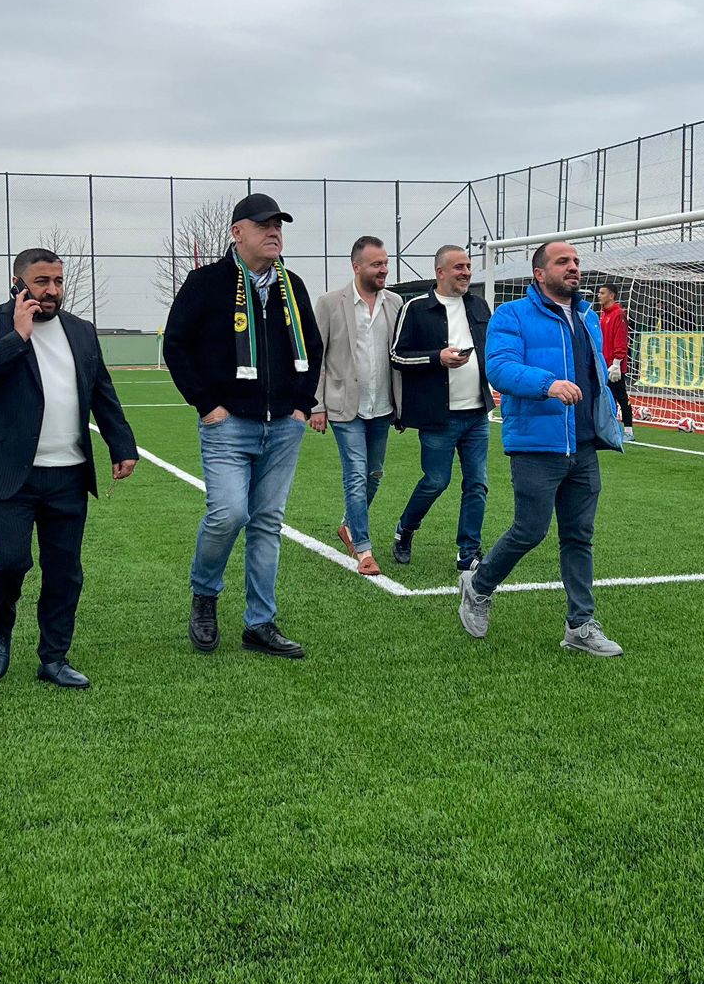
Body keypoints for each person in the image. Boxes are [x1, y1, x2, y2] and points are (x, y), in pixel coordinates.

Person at [0, 247, 138, 690]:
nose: (52, 290)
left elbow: (102, 390)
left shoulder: (81, 331)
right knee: (9, 562)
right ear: (17, 284)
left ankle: (53, 657)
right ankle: (0, 626)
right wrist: (17, 337)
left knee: (64, 572)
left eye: (57, 281)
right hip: (9, 474)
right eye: (42, 282)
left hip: (68, 475)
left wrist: (121, 444)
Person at [163, 192, 324, 658]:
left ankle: (260, 623)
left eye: (278, 225)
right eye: (263, 225)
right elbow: (176, 345)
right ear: (238, 233)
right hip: (228, 424)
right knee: (229, 513)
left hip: (284, 426)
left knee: (267, 523)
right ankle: (205, 595)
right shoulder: (206, 282)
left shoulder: (292, 285)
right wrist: (206, 404)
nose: (274, 232)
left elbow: (312, 347)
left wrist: (301, 405)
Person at [460, 239, 625, 656]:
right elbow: (499, 368)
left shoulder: (588, 317)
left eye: (576, 261)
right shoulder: (512, 315)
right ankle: (478, 586)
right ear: (539, 273)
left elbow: (594, 376)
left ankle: (580, 625)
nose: (573, 267)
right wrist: (547, 384)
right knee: (530, 530)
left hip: (584, 447)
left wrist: (608, 416)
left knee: (579, 536)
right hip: (537, 445)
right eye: (562, 261)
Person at [390, 243, 492, 571]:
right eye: (459, 267)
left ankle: (468, 552)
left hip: (477, 413)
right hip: (438, 416)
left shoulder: (479, 305)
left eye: (468, 266)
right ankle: (405, 529)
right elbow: (397, 356)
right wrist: (438, 358)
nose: (466, 272)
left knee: (477, 483)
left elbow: (490, 348)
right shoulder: (416, 308)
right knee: (436, 481)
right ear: (440, 272)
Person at [310, 236, 404, 577]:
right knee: (355, 473)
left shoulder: (395, 303)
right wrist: (316, 405)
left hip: (382, 406)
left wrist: (403, 405)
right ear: (356, 267)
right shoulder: (329, 303)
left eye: (385, 263)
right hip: (343, 406)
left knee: (374, 476)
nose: (384, 269)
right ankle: (363, 549)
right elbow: (316, 357)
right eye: (377, 264)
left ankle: (348, 525)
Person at [596, 281, 635, 440]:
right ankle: (611, 428)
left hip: (614, 365)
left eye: (602, 293)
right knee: (607, 397)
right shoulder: (603, 314)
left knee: (620, 396)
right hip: (603, 363)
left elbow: (621, 340)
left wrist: (617, 363)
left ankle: (629, 431)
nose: (599, 295)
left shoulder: (618, 314)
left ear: (611, 296)